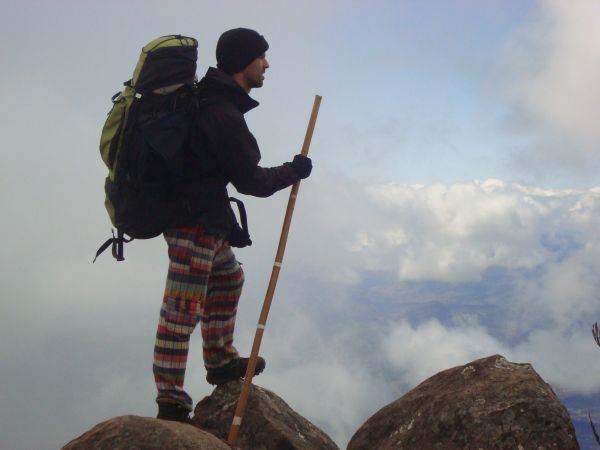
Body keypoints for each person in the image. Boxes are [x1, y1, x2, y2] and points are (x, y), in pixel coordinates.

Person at [153, 28, 313, 422]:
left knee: (227, 279)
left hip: (203, 219)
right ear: (245, 61)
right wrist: (293, 171)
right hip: (192, 221)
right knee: (181, 310)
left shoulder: (214, 101)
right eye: (262, 56)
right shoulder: (220, 112)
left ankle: (220, 360)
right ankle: (170, 401)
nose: (267, 64)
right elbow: (251, 181)